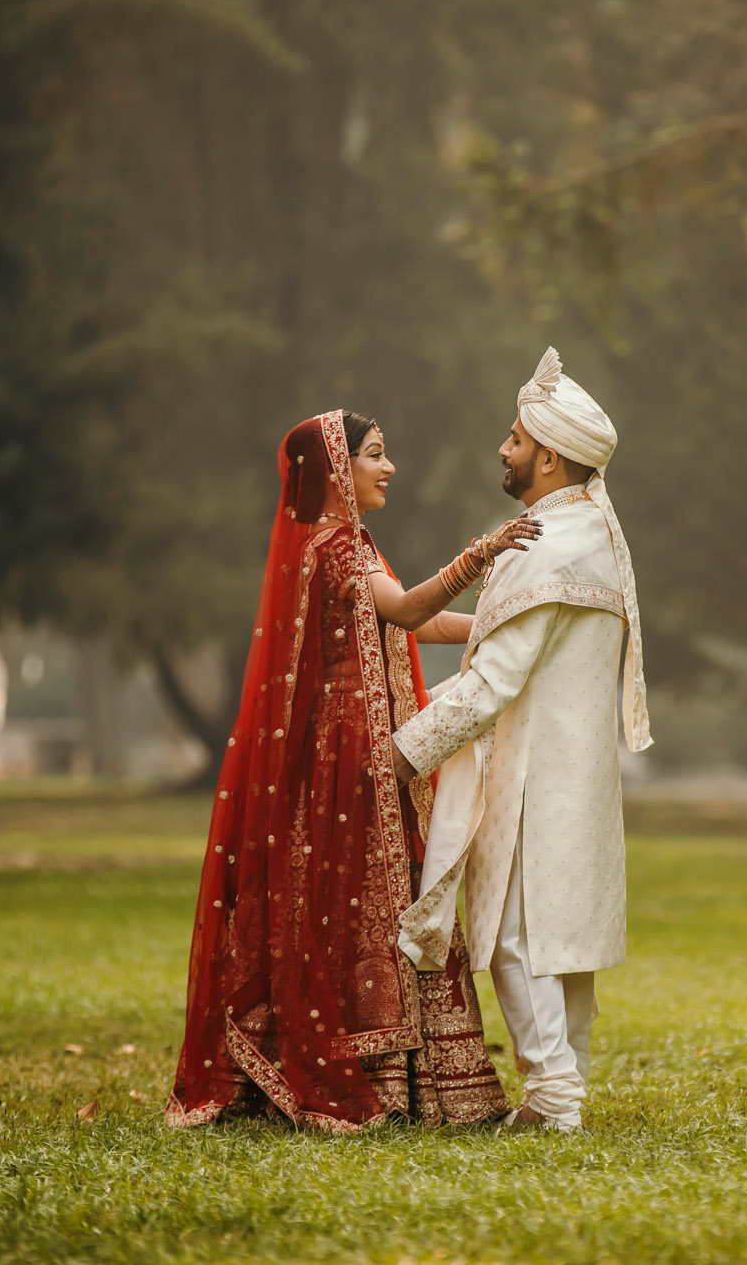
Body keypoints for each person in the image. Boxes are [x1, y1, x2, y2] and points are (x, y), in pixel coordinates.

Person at [166, 410, 538, 1133]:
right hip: (350, 754)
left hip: (369, 746)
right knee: (367, 899)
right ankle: (375, 1078)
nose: (388, 465)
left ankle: (410, 1082)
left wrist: (508, 618)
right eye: (374, 453)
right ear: (338, 470)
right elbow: (406, 606)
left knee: (389, 892)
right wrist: (485, 553)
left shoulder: (349, 544)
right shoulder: (336, 548)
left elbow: (415, 624)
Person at [393, 347, 650, 1134]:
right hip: (578, 770)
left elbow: (493, 683)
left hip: (536, 770)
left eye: (513, 439)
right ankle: (555, 1093)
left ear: (548, 454)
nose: (502, 450)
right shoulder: (594, 536)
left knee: (509, 936)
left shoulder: (548, 543)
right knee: (560, 939)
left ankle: (554, 1102)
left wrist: (396, 748)